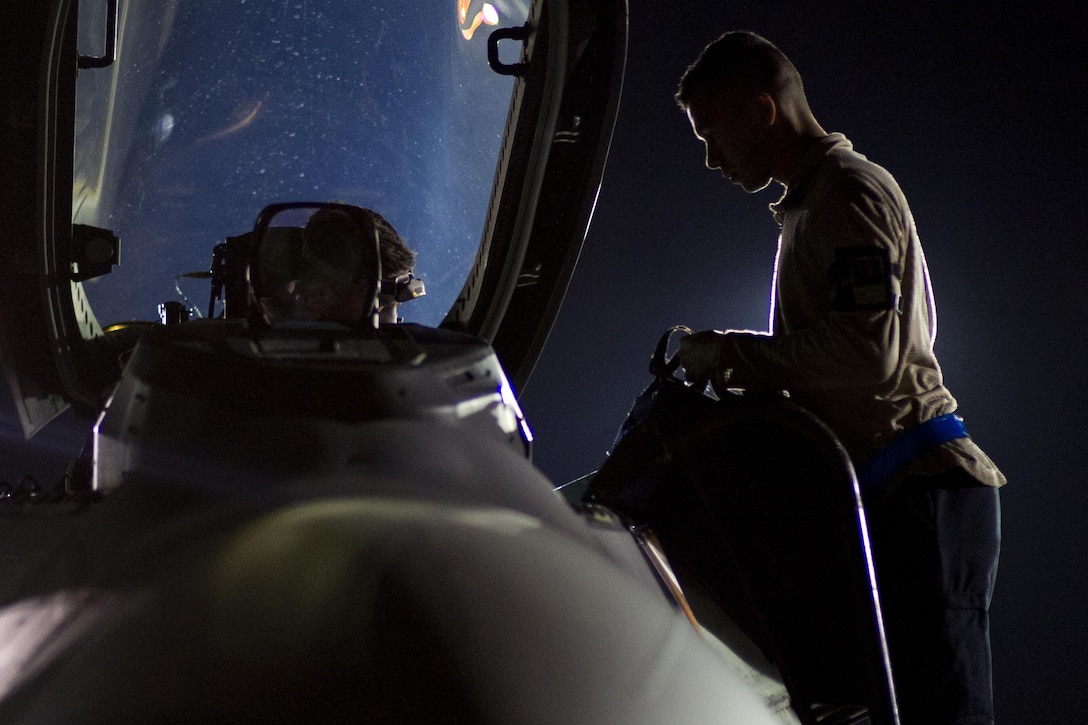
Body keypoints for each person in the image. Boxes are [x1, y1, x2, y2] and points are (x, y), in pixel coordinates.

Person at [673, 31, 1005, 725]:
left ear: (762, 109)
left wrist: (726, 354)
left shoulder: (848, 194)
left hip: (924, 495)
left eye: (712, 133)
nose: (709, 157)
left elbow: (866, 355)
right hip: (899, 498)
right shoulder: (810, 204)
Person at [264, 206, 424, 325]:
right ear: (318, 293)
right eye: (379, 304)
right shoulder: (256, 338)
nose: (391, 323)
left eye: (394, 307)